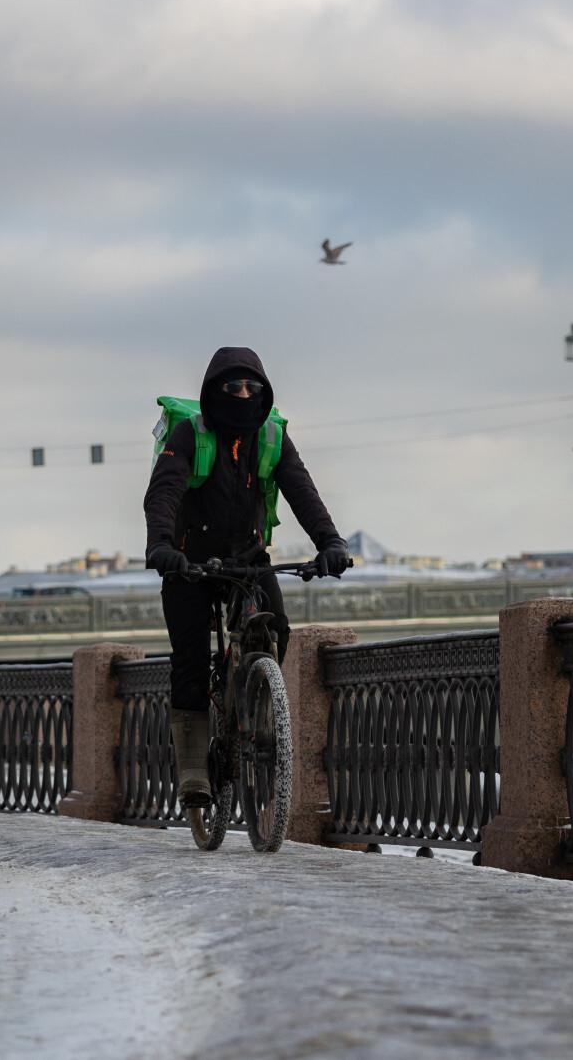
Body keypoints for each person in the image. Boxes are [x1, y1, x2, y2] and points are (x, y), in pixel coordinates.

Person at [143, 346, 350, 807]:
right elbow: (164, 491)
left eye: (251, 388)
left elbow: (302, 490)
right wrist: (160, 545)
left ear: (263, 393)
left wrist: (329, 543)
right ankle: (195, 770)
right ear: (213, 391)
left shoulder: (272, 438)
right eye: (232, 387)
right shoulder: (189, 432)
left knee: (277, 628)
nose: (242, 394)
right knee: (191, 663)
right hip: (188, 561)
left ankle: (255, 709)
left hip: (249, 558)